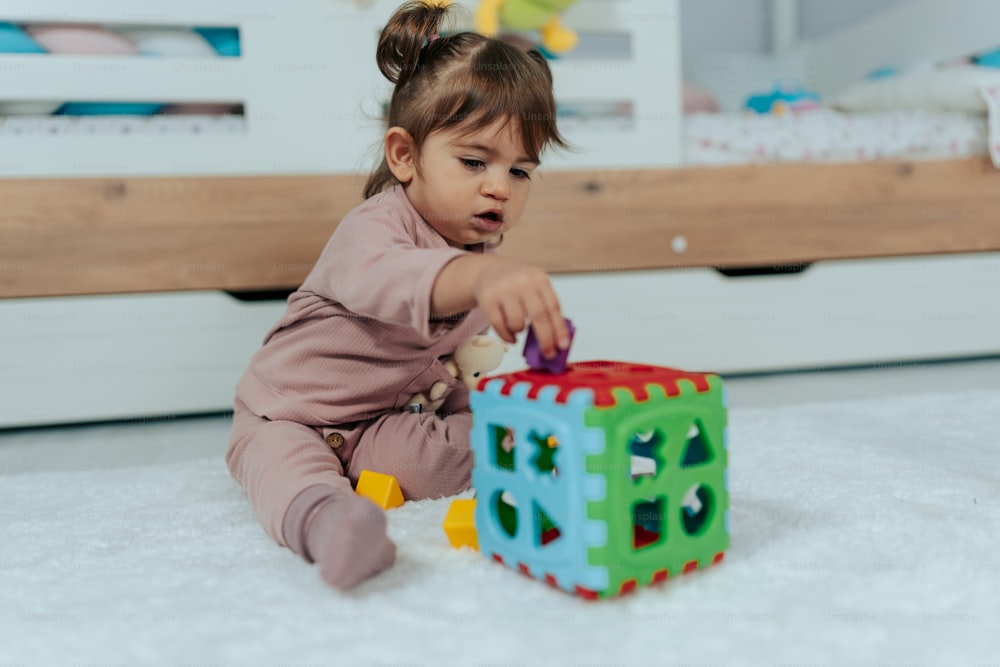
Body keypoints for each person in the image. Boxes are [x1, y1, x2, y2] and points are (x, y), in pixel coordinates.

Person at [226, 0, 572, 590]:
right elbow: (393, 280)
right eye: (473, 161)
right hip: (289, 415)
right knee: (286, 475)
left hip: (388, 423)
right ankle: (333, 526)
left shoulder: (479, 256)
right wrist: (485, 281)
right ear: (404, 155)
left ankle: (539, 451)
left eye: (520, 172)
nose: (499, 187)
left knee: (465, 450)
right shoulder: (374, 229)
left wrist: (488, 412)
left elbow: (447, 366)